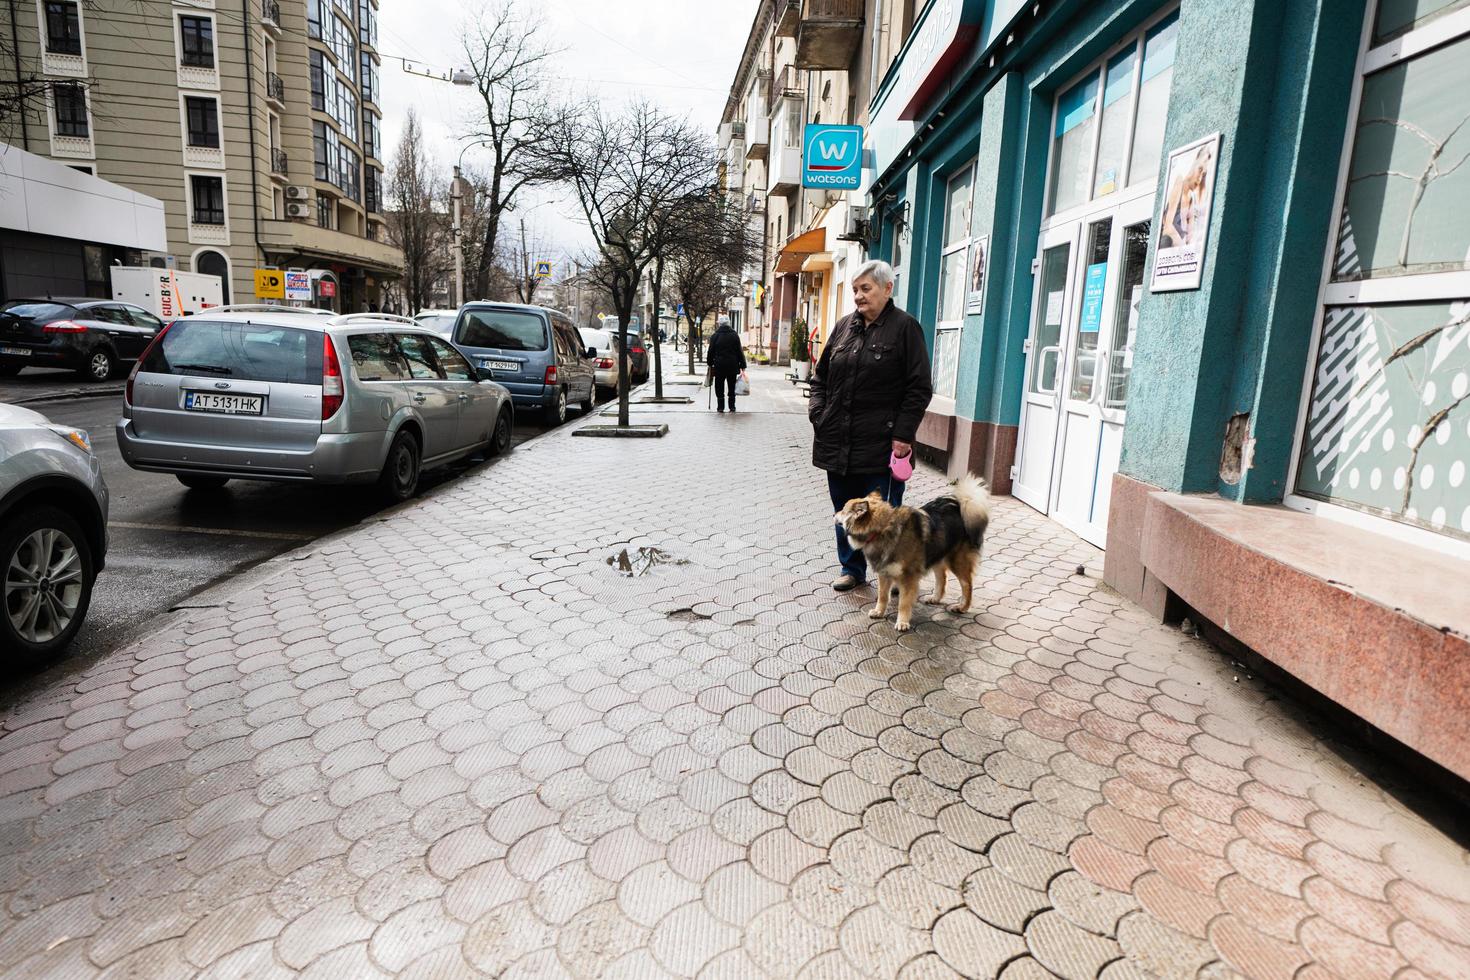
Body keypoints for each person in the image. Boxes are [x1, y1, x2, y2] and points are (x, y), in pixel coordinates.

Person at [809, 260, 933, 591]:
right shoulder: (844, 327)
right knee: (845, 511)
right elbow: (820, 378)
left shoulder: (905, 328)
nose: (859, 297)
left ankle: (890, 575)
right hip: (838, 441)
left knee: (883, 518)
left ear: (887, 288)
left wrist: (903, 435)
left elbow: (919, 387)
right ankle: (851, 569)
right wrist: (818, 415)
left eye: (866, 289)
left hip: (882, 445)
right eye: (855, 290)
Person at [706, 317, 746, 413]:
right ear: (728, 324)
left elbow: (710, 351)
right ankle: (732, 407)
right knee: (732, 386)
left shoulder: (715, 336)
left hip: (719, 366)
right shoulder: (734, 335)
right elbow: (739, 351)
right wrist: (743, 364)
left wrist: (710, 362)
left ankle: (720, 407)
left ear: (719, 324)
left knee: (719, 386)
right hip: (732, 365)